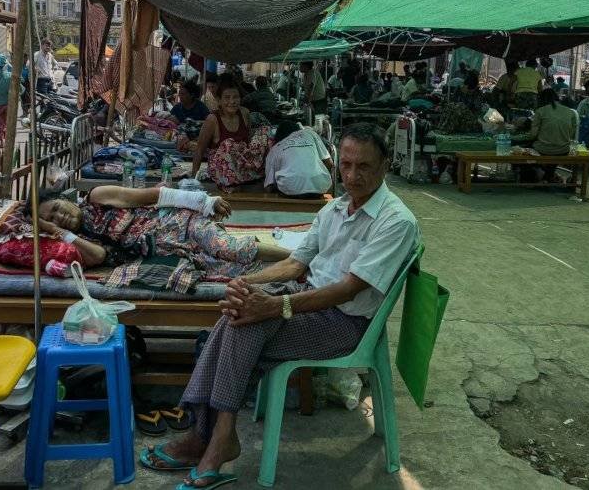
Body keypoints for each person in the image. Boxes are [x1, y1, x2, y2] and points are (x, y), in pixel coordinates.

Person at [139, 123, 418, 485]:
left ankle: (212, 440)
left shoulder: (396, 221)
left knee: (243, 327)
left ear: (385, 166)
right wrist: (244, 283)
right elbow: (295, 264)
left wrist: (277, 305)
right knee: (237, 316)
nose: (352, 176)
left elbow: (349, 290)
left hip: (346, 324)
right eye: (346, 165)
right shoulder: (335, 209)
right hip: (311, 303)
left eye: (363, 166)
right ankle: (213, 438)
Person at [37, 186, 291, 273]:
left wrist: (204, 202)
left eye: (57, 208)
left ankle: (298, 259)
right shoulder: (76, 241)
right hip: (174, 252)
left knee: (227, 248)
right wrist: (61, 233)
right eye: (51, 219)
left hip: (181, 223)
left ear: (65, 199)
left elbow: (154, 195)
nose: (60, 217)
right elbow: (99, 255)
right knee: (232, 269)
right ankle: (293, 269)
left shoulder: (97, 197)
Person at [191, 80, 254, 180]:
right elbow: (200, 150)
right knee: (228, 145)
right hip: (221, 175)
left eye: (236, 97)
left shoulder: (245, 114)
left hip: (244, 172)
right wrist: (193, 179)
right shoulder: (212, 119)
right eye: (227, 97)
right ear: (219, 100)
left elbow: (249, 143)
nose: (232, 101)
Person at [264, 121, 334, 197]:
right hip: (321, 187)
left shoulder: (274, 149)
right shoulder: (309, 133)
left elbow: (269, 187)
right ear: (298, 129)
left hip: (290, 190)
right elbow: (329, 163)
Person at [530, 88, 577, 156]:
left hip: (543, 150)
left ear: (541, 99)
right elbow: (571, 134)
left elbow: (533, 135)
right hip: (564, 150)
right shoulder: (569, 111)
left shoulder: (540, 111)